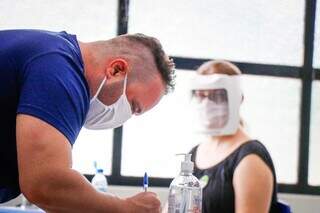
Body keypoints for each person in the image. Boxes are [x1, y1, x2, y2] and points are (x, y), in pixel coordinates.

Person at [0, 29, 175, 212]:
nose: (126, 117)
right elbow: (45, 184)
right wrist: (126, 208)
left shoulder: (56, 54)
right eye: (132, 106)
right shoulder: (58, 70)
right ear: (116, 70)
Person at [188, 60, 280, 213]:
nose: (206, 104)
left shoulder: (250, 157)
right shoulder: (195, 153)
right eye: (200, 95)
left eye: (216, 96)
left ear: (238, 98)